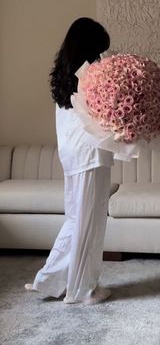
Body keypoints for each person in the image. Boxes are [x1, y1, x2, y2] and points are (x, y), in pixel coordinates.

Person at [24, 17, 114, 305]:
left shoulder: (64, 74)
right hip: (90, 154)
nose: (101, 55)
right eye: (99, 49)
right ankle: (83, 290)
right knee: (90, 221)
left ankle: (49, 280)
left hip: (72, 154)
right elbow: (101, 119)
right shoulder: (92, 75)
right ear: (90, 46)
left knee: (76, 220)